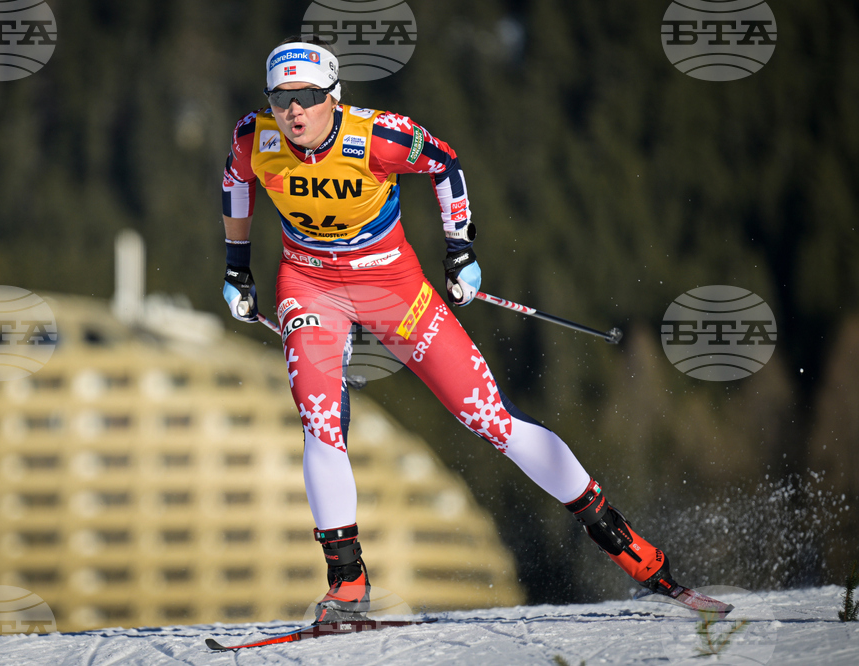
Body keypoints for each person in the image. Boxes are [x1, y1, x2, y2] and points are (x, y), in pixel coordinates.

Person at [221, 39, 677, 623]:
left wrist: (460, 251)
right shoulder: (253, 138)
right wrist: (237, 267)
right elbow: (236, 182)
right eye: (282, 98)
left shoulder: (377, 137)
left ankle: (618, 537)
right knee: (318, 418)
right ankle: (347, 581)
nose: (295, 112)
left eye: (309, 97)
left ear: (334, 96)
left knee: (489, 418)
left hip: (393, 288)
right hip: (310, 287)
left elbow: (444, 162)